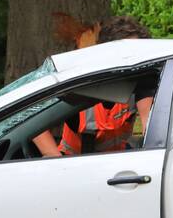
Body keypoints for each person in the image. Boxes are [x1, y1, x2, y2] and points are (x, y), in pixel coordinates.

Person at [32, 15, 156, 157]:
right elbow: (32, 116)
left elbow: (150, 125)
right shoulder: (82, 84)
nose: (136, 63)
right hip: (74, 165)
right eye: (129, 55)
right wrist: (54, 158)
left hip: (116, 164)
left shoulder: (142, 85)